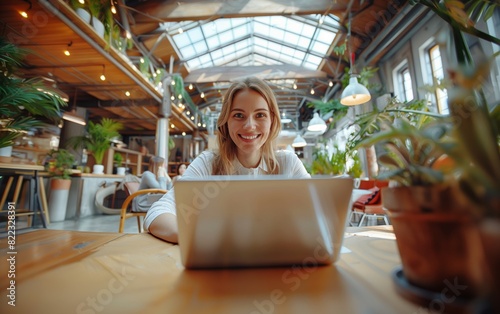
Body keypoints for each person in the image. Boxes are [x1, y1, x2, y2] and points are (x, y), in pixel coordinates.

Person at [144, 77, 310, 243]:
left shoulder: (288, 163)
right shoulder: (208, 163)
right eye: (239, 115)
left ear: (272, 120)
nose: (249, 126)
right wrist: (200, 237)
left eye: (260, 115)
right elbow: (158, 212)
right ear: (226, 121)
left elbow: (319, 214)